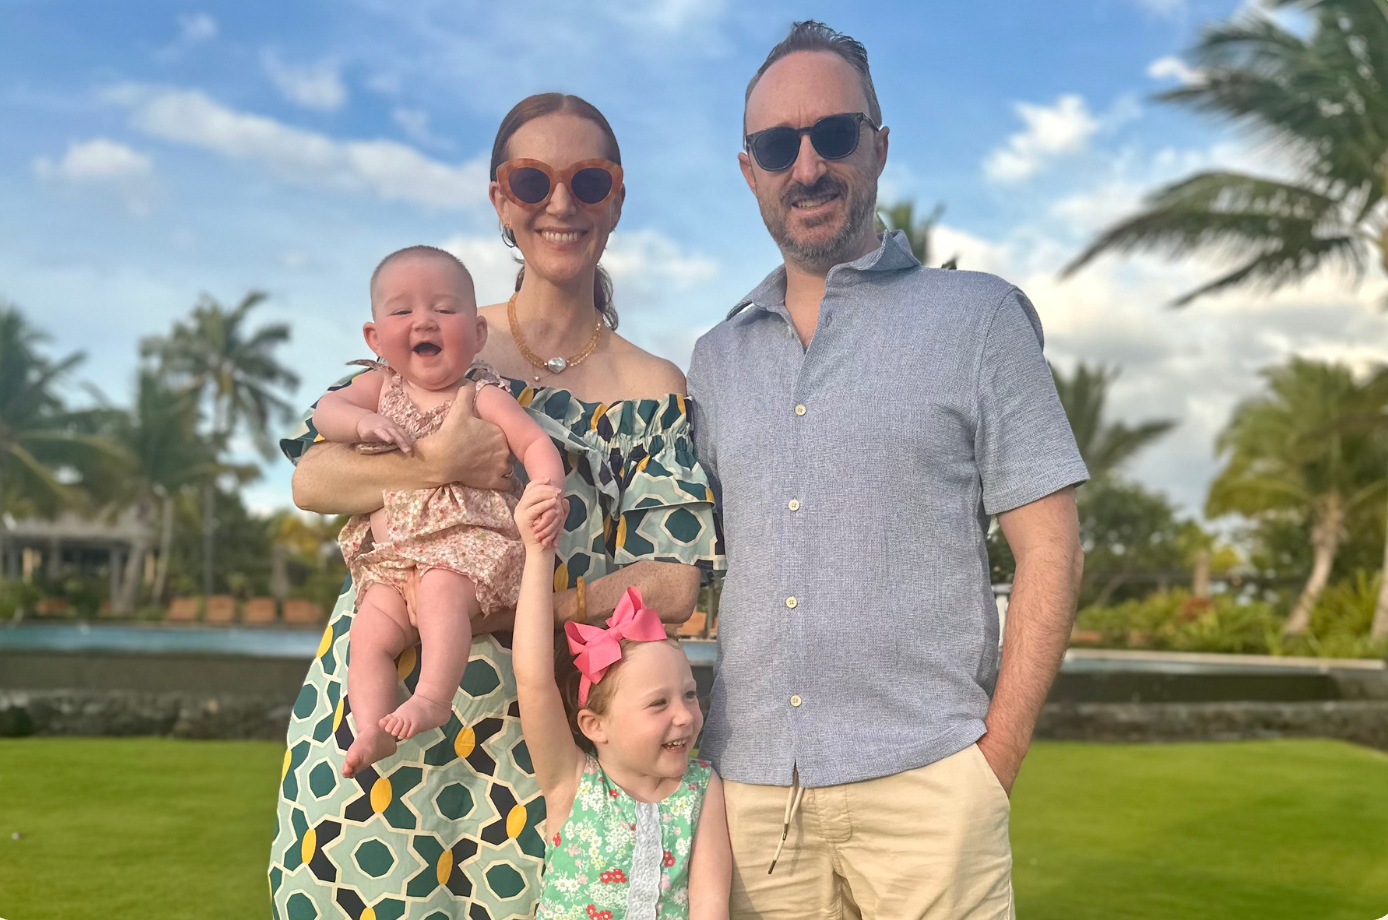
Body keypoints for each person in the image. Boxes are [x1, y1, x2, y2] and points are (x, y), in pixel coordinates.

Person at [268, 93, 722, 920]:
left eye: (587, 182)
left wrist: (537, 605)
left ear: (616, 199)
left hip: (544, 738)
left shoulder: (653, 387)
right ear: (499, 199)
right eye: (530, 179)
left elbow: (679, 579)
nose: (560, 203)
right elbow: (310, 478)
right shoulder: (434, 328)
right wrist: (436, 461)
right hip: (378, 709)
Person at [686, 21, 1089, 920]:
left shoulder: (978, 318)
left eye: (833, 134)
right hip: (750, 797)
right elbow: (691, 569)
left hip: (931, 789)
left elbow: (1051, 547)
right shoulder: (715, 358)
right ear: (748, 168)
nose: (807, 166)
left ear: (878, 142)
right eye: (775, 144)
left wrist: (993, 761)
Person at [311, 246, 565, 777]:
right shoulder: (378, 389)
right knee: (369, 637)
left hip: (462, 551)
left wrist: (547, 489)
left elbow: (534, 443)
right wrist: (360, 425)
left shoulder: (482, 396)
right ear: (375, 338)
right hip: (391, 559)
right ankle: (370, 728)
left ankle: (431, 696)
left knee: (441, 595)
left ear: (475, 334)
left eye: (443, 310)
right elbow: (325, 411)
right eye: (402, 312)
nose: (423, 320)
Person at [510, 480, 731, 920]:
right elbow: (534, 680)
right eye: (658, 704)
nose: (685, 716)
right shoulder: (571, 783)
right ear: (595, 726)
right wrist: (537, 555)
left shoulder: (701, 790)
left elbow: (711, 906)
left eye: (690, 694)